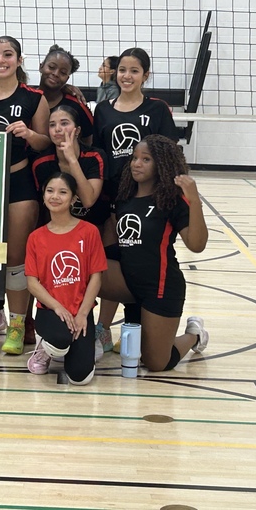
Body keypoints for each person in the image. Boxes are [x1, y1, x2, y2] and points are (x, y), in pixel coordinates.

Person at [0, 36, 51, 356]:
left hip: (18, 181)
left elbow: (45, 142)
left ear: (18, 59)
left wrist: (29, 134)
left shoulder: (34, 97)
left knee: (15, 259)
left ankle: (16, 326)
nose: (0, 60)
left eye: (7, 54)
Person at [93, 47, 180, 344]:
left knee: (140, 263)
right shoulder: (103, 109)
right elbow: (99, 154)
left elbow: (170, 156)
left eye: (134, 71)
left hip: (149, 203)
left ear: (146, 75)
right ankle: (102, 330)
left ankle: (134, 328)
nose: (126, 76)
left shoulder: (157, 109)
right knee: (111, 264)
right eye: (122, 70)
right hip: (113, 201)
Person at [100, 135, 209, 372]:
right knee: (85, 269)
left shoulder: (172, 200)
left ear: (161, 164)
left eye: (145, 159)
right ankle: (89, 337)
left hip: (160, 288)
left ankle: (194, 335)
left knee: (156, 362)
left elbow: (197, 244)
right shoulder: (124, 197)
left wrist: (194, 201)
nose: (136, 163)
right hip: (127, 282)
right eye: (135, 158)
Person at [25, 172, 106, 384]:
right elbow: (32, 283)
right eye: (50, 191)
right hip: (51, 310)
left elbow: (96, 278)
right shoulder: (36, 237)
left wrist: (82, 314)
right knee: (60, 339)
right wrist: (57, 308)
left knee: (81, 378)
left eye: (63, 192)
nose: (55, 197)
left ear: (73, 198)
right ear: (43, 196)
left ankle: (75, 348)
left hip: (80, 310)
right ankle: (46, 348)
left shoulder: (89, 232)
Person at [37, 45, 94, 145]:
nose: (55, 73)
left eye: (63, 73)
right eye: (51, 67)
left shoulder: (77, 104)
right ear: (41, 66)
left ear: (67, 78)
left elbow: (88, 140)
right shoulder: (27, 97)